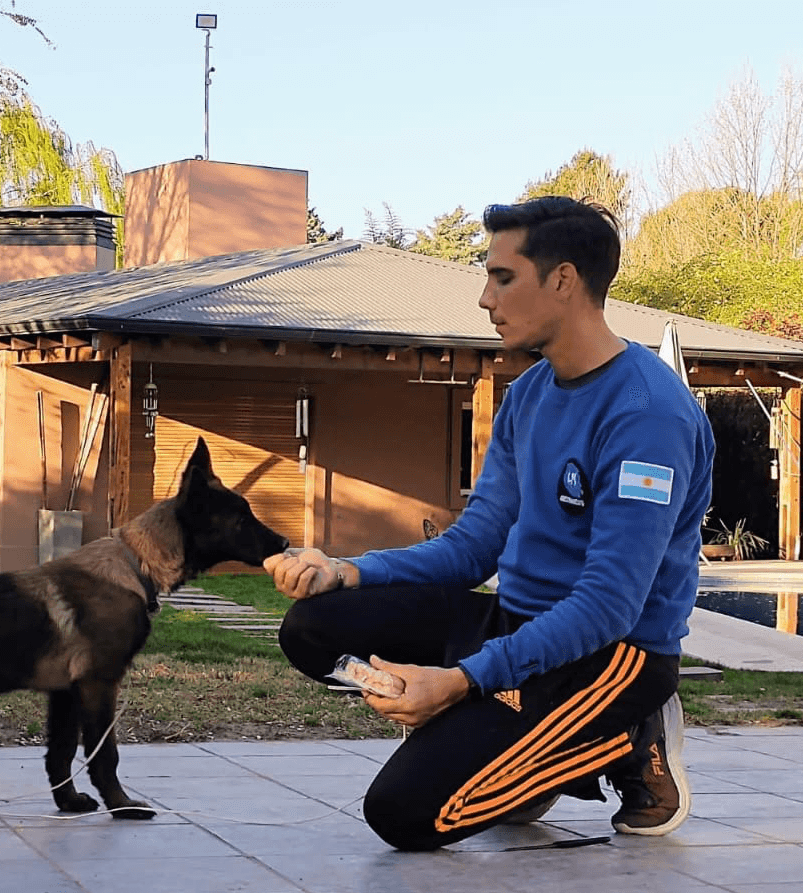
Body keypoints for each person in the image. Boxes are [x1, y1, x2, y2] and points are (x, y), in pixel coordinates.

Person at [264, 196, 715, 851]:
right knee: (314, 626)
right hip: (515, 624)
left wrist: (459, 681)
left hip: (609, 656)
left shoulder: (647, 416)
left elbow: (608, 606)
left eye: (502, 277)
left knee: (405, 814)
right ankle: (504, 738)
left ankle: (621, 739)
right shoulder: (530, 394)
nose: (484, 298)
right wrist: (347, 569)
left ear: (563, 281)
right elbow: (473, 547)